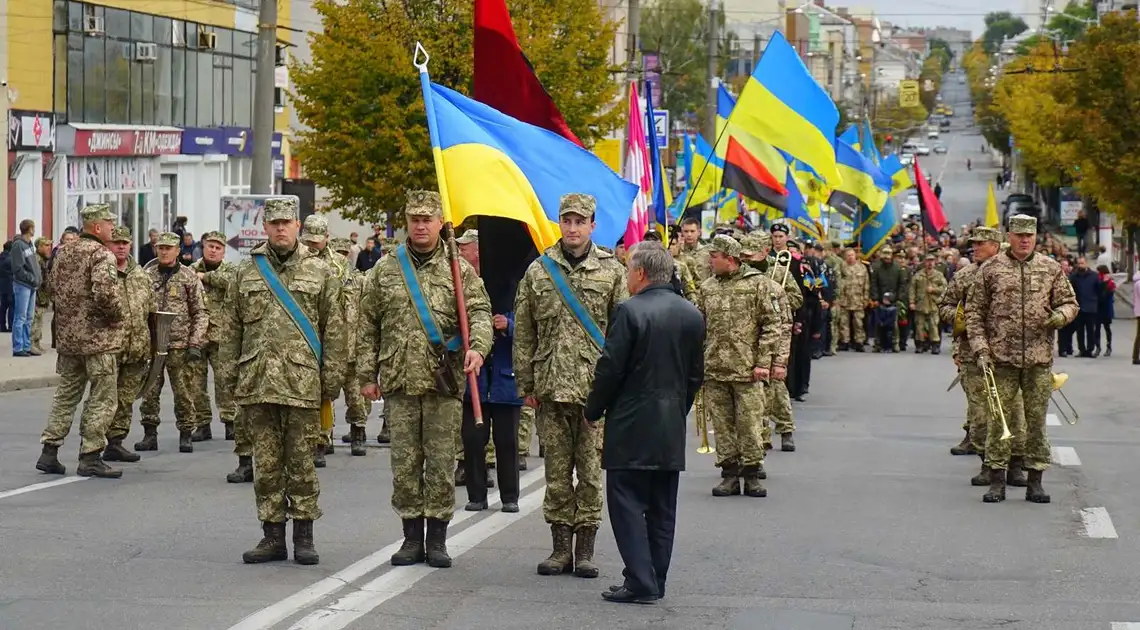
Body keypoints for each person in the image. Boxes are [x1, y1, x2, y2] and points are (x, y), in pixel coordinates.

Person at [357, 190, 491, 569]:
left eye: (427, 219)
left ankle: (437, 540)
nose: (420, 225)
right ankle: (410, 539)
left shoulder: (458, 269)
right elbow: (368, 325)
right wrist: (368, 375)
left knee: (441, 462)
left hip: (443, 383)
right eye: (414, 219)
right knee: (404, 464)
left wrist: (477, 348)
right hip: (399, 381)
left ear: (439, 223)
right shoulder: (386, 269)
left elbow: (480, 312)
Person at [217, 196, 346, 565]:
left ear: (297, 225)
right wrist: (228, 384)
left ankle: (304, 535)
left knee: (302, 463)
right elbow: (231, 332)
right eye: (274, 223)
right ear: (264, 226)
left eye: (286, 222)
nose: (280, 229)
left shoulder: (320, 271)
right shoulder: (246, 272)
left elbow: (335, 330)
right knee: (267, 465)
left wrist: (331, 382)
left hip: (303, 385)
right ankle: (272, 536)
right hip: (257, 383)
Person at [583, 241, 705, 604]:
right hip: (669, 424)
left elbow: (610, 369)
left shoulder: (629, 312)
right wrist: (676, 409)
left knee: (626, 505)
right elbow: (695, 376)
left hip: (631, 423)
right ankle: (656, 579)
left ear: (639, 273)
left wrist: (594, 410)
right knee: (662, 508)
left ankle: (639, 580)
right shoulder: (692, 314)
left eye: (628, 270)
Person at [515, 193, 628, 578]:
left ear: (593, 226)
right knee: (557, 473)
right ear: (559, 224)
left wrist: (618, 386)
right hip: (550, 389)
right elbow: (524, 333)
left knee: (592, 474)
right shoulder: (539, 271)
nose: (573, 228)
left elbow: (623, 333)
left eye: (581, 221)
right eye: (567, 221)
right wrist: (525, 383)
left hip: (594, 392)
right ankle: (560, 548)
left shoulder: (612, 272)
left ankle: (586, 551)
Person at [965, 214, 1078, 504]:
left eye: (1029, 236)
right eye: (1019, 236)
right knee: (998, 421)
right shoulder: (991, 269)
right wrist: (980, 348)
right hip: (1000, 359)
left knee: (1036, 422)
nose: (1024, 240)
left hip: (1038, 359)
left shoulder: (1050, 268)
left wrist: (1059, 316)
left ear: (1036, 237)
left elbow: (1070, 302)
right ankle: (997, 481)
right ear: (1009, 237)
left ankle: (1035, 481)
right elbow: (974, 313)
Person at [35, 204, 124, 478]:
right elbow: (105, 293)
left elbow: (49, 288)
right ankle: (91, 454)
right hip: (98, 340)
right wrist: (117, 317)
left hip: (69, 339)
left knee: (66, 396)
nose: (112, 227)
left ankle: (49, 451)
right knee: (103, 398)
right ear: (97, 227)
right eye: (109, 222)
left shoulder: (63, 253)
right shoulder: (101, 255)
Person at [697, 235, 783, 498]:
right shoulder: (707, 288)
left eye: (715, 256)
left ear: (730, 259)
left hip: (748, 370)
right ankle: (730, 474)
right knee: (723, 425)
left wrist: (763, 363)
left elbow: (772, 325)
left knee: (750, 424)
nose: (710, 261)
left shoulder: (757, 285)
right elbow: (698, 327)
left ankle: (752, 474)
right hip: (715, 369)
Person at [136, 232, 208, 454]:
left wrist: (195, 343)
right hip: (153, 344)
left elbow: (200, 312)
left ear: (178, 251)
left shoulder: (188, 277)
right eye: (161, 248)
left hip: (180, 345)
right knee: (149, 391)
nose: (164, 252)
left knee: (183, 392)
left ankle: (186, 433)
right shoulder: (146, 275)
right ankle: (150, 434)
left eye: (169, 248)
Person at [103, 226, 152, 464]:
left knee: (126, 398)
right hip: (109, 347)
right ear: (108, 245)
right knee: (104, 398)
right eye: (116, 242)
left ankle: (116, 442)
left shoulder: (141, 275)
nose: (121, 246)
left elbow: (150, 312)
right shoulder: (102, 272)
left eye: (125, 242)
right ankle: (93, 442)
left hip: (137, 347)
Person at [188, 231, 238, 443]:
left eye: (218, 247)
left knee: (225, 381)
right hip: (197, 336)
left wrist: (206, 277)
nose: (214, 250)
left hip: (222, 336)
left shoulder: (231, 271)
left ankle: (230, 422)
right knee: (195, 382)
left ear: (224, 251)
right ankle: (202, 423)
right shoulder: (190, 271)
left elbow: (231, 284)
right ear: (204, 247)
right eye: (211, 246)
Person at [10, 219, 42, 357]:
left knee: (29, 317)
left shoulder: (29, 245)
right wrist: (32, 278)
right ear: (29, 229)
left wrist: (36, 280)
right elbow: (18, 268)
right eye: (33, 228)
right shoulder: (18, 245)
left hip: (32, 286)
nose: (34, 230)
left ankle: (26, 345)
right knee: (20, 317)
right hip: (23, 285)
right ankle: (18, 347)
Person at [909, 254, 948, 354]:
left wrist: (934, 289)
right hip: (920, 304)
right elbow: (912, 289)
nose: (930, 263)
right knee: (919, 326)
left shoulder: (938, 275)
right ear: (924, 262)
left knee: (933, 325)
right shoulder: (918, 275)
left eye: (932, 261)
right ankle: (920, 345)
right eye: (928, 261)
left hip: (933, 304)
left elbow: (945, 288)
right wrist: (912, 302)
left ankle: (935, 345)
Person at [836, 248, 869, 351]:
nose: (850, 257)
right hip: (844, 299)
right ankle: (845, 341)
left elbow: (866, 284)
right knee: (843, 322)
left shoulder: (862, 268)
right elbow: (837, 281)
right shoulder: (841, 266)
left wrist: (866, 298)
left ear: (855, 256)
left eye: (852, 255)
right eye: (848, 255)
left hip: (858, 299)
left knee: (858, 322)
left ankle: (859, 342)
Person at [31, 237, 53, 355]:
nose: (48, 248)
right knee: (35, 320)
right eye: (45, 245)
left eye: (49, 245)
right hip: (37, 295)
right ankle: (31, 343)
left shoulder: (44, 260)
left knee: (39, 320)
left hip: (42, 296)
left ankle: (36, 342)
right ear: (39, 247)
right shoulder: (37, 259)